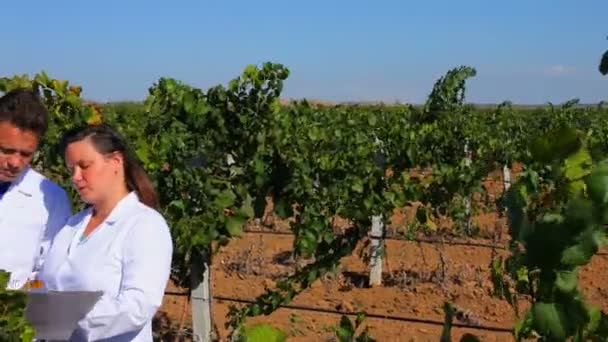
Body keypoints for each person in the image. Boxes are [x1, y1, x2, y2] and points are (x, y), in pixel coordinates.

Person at [38, 123, 173, 341]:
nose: (75, 177)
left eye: (84, 166)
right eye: (71, 169)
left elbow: (138, 305)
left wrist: (70, 319)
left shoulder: (144, 225)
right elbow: (45, 283)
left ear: (116, 161)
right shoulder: (72, 226)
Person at [0, 88, 72, 290]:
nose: (15, 162)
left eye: (25, 154)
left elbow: (50, 271)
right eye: (6, 150)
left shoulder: (52, 199)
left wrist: (20, 297)